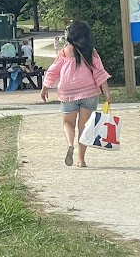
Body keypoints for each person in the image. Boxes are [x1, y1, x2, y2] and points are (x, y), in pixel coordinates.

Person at [40, 21, 111, 168]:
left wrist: (45, 87)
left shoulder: (65, 51)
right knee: (84, 127)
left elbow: (53, 71)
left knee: (68, 123)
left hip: (68, 93)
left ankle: (69, 144)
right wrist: (107, 93)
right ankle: (81, 160)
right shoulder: (91, 52)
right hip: (89, 92)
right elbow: (100, 72)